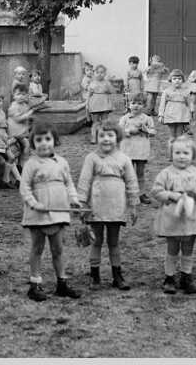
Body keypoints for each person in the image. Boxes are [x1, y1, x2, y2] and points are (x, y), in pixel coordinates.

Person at [18, 126, 85, 301]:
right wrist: (34, 203)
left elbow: (69, 183)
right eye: (38, 140)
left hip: (59, 211)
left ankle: (61, 283)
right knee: (37, 248)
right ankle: (35, 284)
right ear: (32, 144)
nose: (43, 143)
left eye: (47, 139)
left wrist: (74, 199)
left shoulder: (62, 162)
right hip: (38, 214)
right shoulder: (31, 164)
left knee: (58, 248)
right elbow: (24, 188)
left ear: (55, 141)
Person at [77, 124, 139, 290]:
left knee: (114, 241)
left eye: (110, 135)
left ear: (117, 138)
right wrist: (82, 203)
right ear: (96, 138)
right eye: (102, 135)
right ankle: (95, 276)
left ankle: (117, 275)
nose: (106, 139)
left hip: (116, 205)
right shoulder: (91, 158)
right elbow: (84, 181)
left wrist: (133, 204)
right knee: (96, 241)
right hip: (96, 205)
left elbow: (132, 182)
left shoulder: (124, 159)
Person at [151, 135, 196, 294]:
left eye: (186, 153)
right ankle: (169, 277)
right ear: (171, 154)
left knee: (188, 247)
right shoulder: (166, 173)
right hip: (172, 216)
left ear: (192, 155)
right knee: (172, 247)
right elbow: (156, 191)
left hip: (191, 217)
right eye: (177, 153)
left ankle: (186, 276)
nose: (181, 156)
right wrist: (171, 195)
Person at [118, 96, 157, 203]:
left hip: (141, 151)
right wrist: (129, 131)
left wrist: (146, 130)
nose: (136, 105)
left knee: (140, 173)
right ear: (128, 105)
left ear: (144, 106)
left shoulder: (147, 119)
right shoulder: (125, 118)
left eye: (139, 103)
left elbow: (153, 132)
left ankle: (141, 194)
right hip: (127, 151)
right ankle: (127, 193)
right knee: (126, 173)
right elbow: (119, 132)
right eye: (133, 102)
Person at [158, 69, 193, 146]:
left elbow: (189, 103)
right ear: (170, 80)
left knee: (179, 134)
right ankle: (172, 150)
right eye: (174, 79)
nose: (177, 81)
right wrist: (161, 115)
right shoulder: (166, 91)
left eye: (179, 79)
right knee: (172, 134)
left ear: (183, 80)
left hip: (181, 115)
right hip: (170, 114)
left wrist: (190, 114)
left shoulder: (186, 91)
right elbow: (162, 104)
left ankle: (178, 149)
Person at [7, 89, 38, 172]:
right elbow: (18, 119)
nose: (21, 97)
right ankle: (22, 163)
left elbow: (26, 117)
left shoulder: (24, 105)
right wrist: (30, 113)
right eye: (18, 94)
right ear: (14, 96)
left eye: (23, 95)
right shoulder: (13, 106)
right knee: (27, 145)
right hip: (15, 132)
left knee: (24, 146)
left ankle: (21, 164)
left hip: (22, 132)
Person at [85, 63, 115, 142]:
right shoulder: (92, 83)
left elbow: (112, 91)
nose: (99, 74)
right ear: (94, 73)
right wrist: (87, 104)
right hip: (95, 104)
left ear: (105, 74)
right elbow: (88, 95)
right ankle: (94, 137)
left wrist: (107, 90)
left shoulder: (107, 83)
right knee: (95, 122)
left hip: (104, 104)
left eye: (102, 72)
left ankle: (104, 136)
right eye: (97, 72)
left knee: (104, 122)